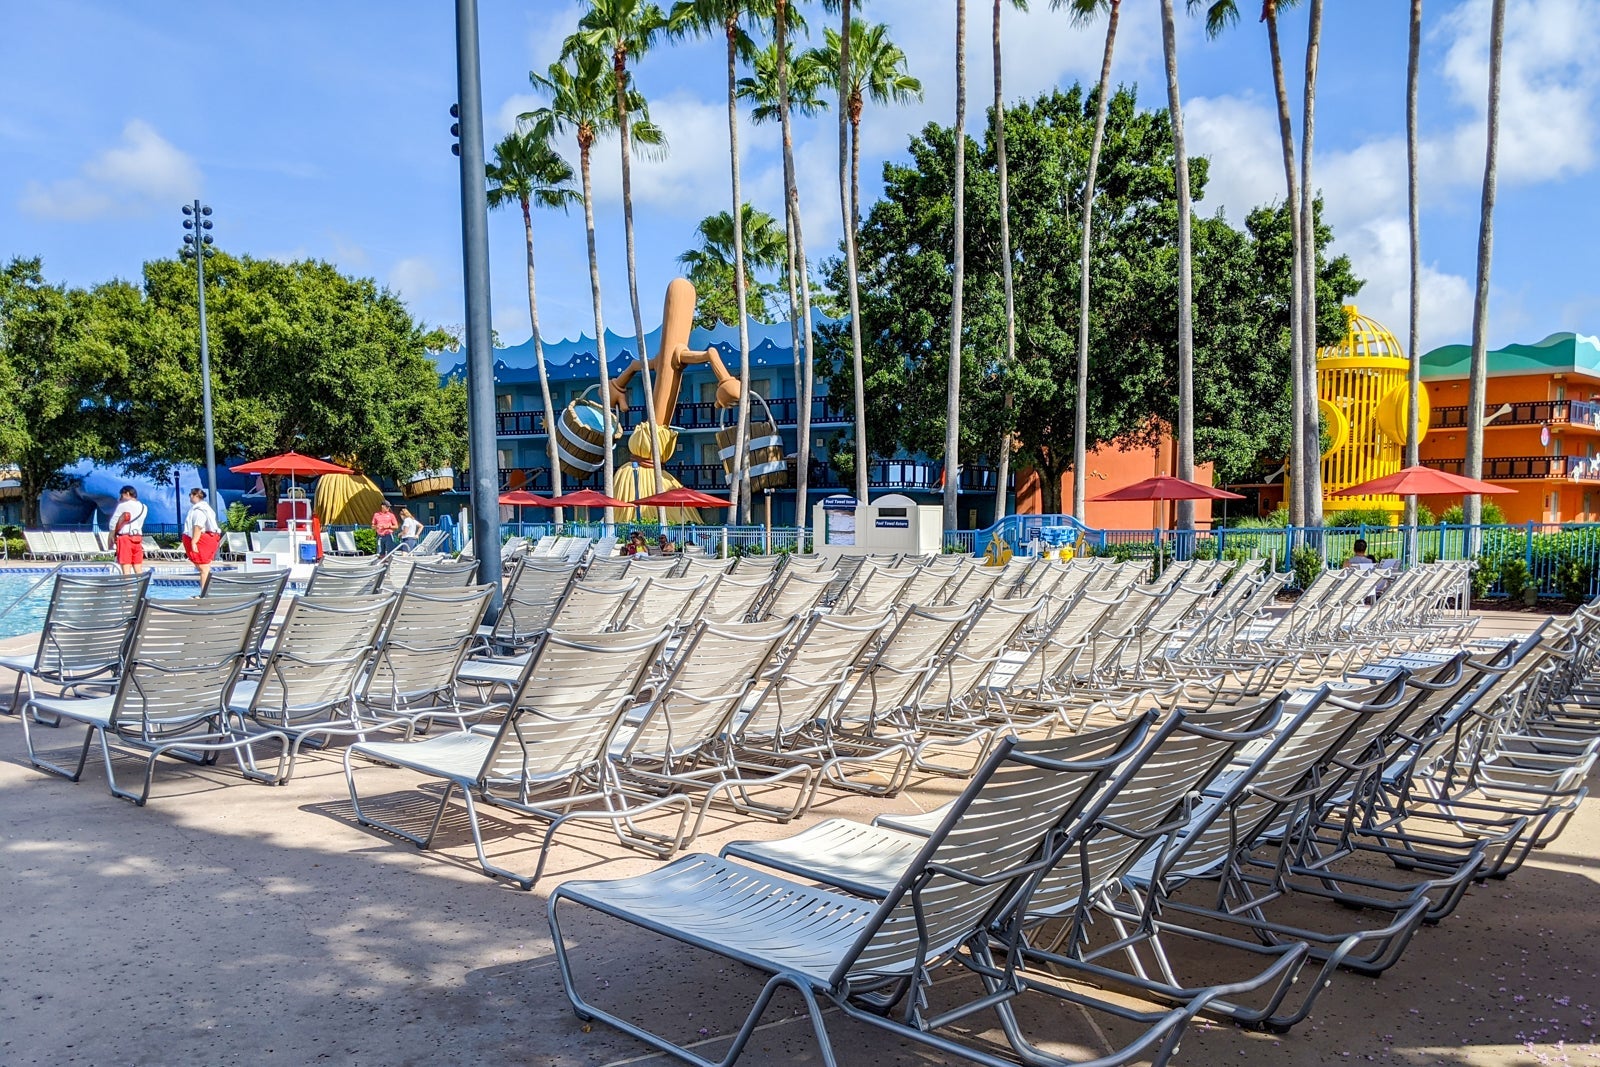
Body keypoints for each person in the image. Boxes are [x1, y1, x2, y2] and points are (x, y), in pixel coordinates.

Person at [182, 488, 223, 587]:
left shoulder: (199, 509)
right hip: (208, 539)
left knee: (203, 568)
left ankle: (204, 594)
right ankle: (204, 593)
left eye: (190, 495)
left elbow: (198, 525)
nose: (190, 497)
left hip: (202, 540)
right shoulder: (206, 508)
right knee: (205, 567)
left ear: (195, 495)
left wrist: (194, 542)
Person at [108, 485, 149, 575]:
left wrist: (112, 537)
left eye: (122, 495)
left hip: (125, 538)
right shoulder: (144, 507)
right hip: (138, 538)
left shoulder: (123, 505)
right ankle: (139, 587)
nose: (121, 498)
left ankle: (127, 589)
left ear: (127, 493)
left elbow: (113, 523)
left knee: (126, 569)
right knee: (138, 568)